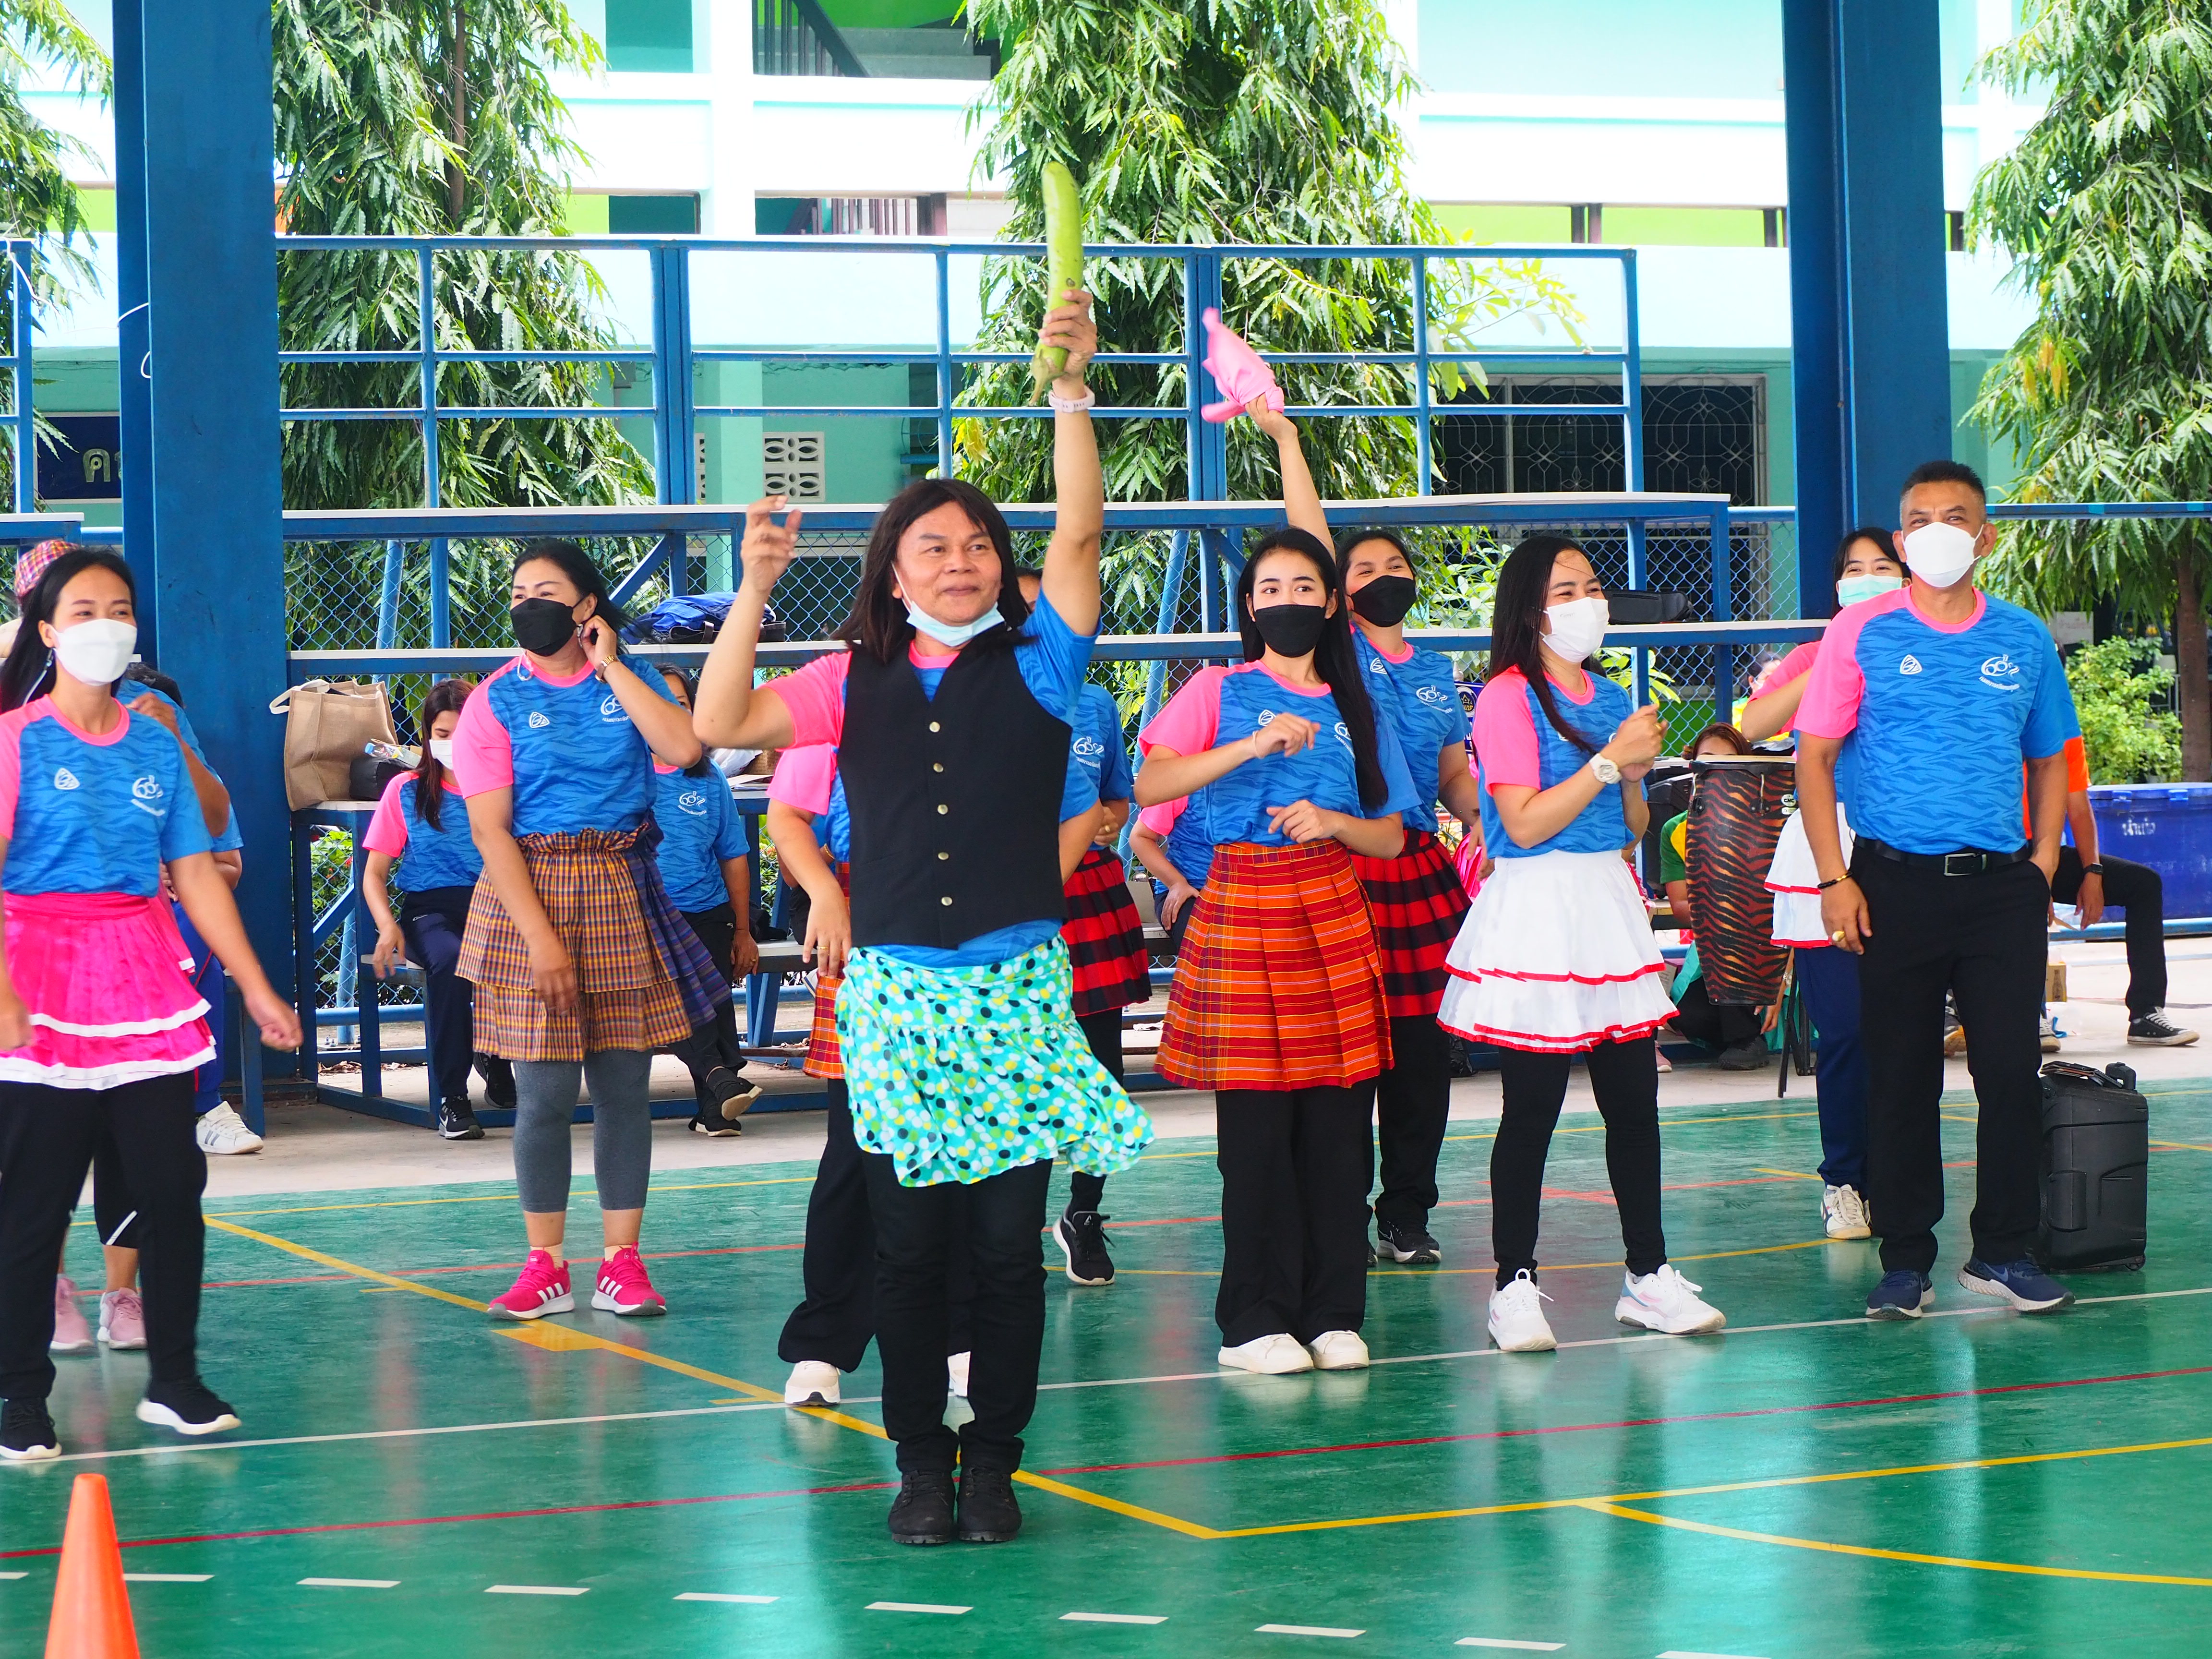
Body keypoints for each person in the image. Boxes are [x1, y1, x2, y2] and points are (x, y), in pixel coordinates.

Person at [694, 286, 1153, 1548]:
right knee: (905, 1247)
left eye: (978, 545)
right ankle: (916, 1463)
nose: (961, 562)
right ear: (893, 575)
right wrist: (754, 586)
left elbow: (1081, 531)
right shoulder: (847, 680)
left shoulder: (1044, 664)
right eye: (934, 547)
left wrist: (1072, 391)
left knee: (1006, 1250)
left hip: (1016, 996)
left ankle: (993, 1460)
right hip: (897, 999)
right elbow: (717, 723)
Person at [0, 545, 302, 1461]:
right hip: (39, 979)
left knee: (172, 1192)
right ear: (48, 631)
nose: (106, 625)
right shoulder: (14, 740)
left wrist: (255, 984)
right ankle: (20, 1396)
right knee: (34, 1204)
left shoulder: (155, 744)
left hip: (141, 976)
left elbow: (196, 876)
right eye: (84, 611)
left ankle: (175, 1380)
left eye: (120, 609)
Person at [1796, 459, 2080, 1321]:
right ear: (1900, 537)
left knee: (2010, 1074)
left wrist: (2042, 862)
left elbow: (2050, 760)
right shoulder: (1861, 631)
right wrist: (1835, 878)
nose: (1937, 532)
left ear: (1984, 537)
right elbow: (1814, 758)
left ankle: (2003, 1251)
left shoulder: (2022, 637)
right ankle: (1905, 1260)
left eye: (1955, 517)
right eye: (1919, 519)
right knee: (1901, 1078)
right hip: (1892, 884)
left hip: (2000, 890)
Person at [1137, 519, 1419, 1377]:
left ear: (1331, 603)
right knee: (1255, 1133)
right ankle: (1252, 1321)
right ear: (1250, 608)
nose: (1286, 601)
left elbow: (1392, 836)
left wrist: (1335, 822)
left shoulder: (1358, 704)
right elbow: (1150, 783)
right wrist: (1251, 745)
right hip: (1242, 904)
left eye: (1303, 587)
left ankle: (1333, 1313)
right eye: (1269, 590)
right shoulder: (1215, 690)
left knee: (1338, 1128)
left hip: (1331, 907)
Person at [1438, 534, 1727, 1354]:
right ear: (1530, 608)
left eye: (1592, 587)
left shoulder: (1611, 695)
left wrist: (1632, 776)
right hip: (1538, 907)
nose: (1586, 603)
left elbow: (1630, 828)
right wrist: (1607, 763)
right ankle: (1512, 1285)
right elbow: (1522, 823)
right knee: (1530, 1107)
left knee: (1633, 1104)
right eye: (1565, 590)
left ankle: (1648, 1275)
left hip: (1605, 902)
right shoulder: (1504, 696)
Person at [450, 539, 729, 1323]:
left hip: (619, 884)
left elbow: (685, 748)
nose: (525, 605)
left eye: (545, 591)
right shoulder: (494, 700)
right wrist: (540, 939)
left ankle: (621, 1264)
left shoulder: (631, 680)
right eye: (517, 593)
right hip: (528, 892)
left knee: (622, 1088)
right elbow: (491, 831)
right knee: (542, 1095)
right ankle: (544, 1265)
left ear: (586, 606)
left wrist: (611, 666)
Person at [1748, 526, 1908, 1239]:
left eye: (1882, 566)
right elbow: (1754, 724)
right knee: (1843, 1032)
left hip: (1908, 845)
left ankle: (1897, 1179)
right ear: (1838, 586)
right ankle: (1845, 1181)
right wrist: (1835, 655)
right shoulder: (1813, 655)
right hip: (1826, 844)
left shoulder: (1925, 647)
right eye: (1854, 569)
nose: (1868, 577)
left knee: (1899, 1035)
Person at [1015, 567, 1149, 1287]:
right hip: (1008, 898)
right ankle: (1014, 1222)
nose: (1036, 625)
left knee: (1100, 1066)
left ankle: (1083, 1213)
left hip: (1089, 895)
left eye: (1049, 611)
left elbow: (1117, 803)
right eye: (1021, 611)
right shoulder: (976, 698)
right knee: (1022, 1067)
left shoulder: (1095, 704)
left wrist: (1102, 822)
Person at [362, 677, 518, 1141]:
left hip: (497, 905)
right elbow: (373, 874)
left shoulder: (504, 788)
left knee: (520, 954)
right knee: (452, 961)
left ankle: (498, 1055)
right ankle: (453, 1097)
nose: (452, 743)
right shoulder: (406, 791)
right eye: (442, 734)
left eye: (462, 732)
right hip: (430, 911)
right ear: (428, 736)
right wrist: (387, 925)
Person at [650, 667, 765, 1134]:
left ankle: (716, 1106)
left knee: (713, 997)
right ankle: (721, 1078)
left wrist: (744, 931)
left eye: (681, 702)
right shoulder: (623, 773)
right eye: (659, 699)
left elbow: (734, 857)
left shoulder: (709, 776)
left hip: (707, 911)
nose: (671, 711)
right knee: (678, 992)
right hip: (644, 917)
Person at [2043, 733, 2196, 1047]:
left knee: (2143, 884)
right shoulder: (2005, 727)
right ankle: (2029, 1016)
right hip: (2006, 854)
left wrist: (2093, 873)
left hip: (2050, 854)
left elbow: (2079, 808)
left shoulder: (2064, 734)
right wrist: (2038, 883)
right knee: (2022, 897)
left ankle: (2146, 1014)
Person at [1658, 722, 1771, 1071]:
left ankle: (1747, 1040)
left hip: (1770, 945)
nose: (1719, 769)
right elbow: (1681, 908)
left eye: (1730, 760)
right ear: (1692, 764)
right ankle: (1744, 1035)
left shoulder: (1772, 820)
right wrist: (1724, 906)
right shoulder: (1675, 829)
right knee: (1689, 1017)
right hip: (1714, 944)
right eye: (1709, 758)